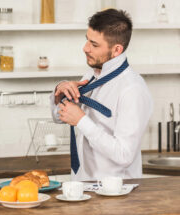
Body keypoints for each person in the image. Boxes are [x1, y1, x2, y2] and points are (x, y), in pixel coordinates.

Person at [50, 9, 153, 181]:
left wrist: (81, 120)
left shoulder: (133, 89)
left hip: (116, 192)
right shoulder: (91, 76)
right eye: (87, 40)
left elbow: (124, 154)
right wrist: (60, 93)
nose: (85, 48)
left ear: (116, 50)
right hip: (84, 184)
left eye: (94, 44)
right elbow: (60, 117)